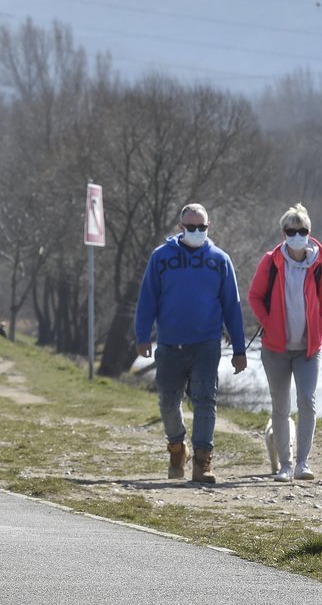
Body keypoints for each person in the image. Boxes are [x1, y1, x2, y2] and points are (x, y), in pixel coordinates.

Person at [134, 203, 247, 484]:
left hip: (206, 343)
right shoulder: (161, 258)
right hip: (170, 343)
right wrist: (142, 335)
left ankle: (202, 461)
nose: (197, 231)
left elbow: (232, 305)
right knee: (168, 402)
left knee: (205, 399)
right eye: (191, 227)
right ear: (180, 227)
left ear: (208, 228)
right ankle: (176, 448)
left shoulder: (220, 260)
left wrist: (239, 349)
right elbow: (147, 298)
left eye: (202, 227)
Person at [248, 204, 322, 483]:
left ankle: (302, 463)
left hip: (308, 349)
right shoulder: (271, 261)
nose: (297, 235)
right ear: (283, 233)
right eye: (291, 231)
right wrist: (270, 322)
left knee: (307, 401)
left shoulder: (319, 264)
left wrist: (319, 332)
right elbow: (254, 296)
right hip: (276, 349)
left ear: (309, 232)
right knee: (280, 405)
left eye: (302, 230)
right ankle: (285, 464)